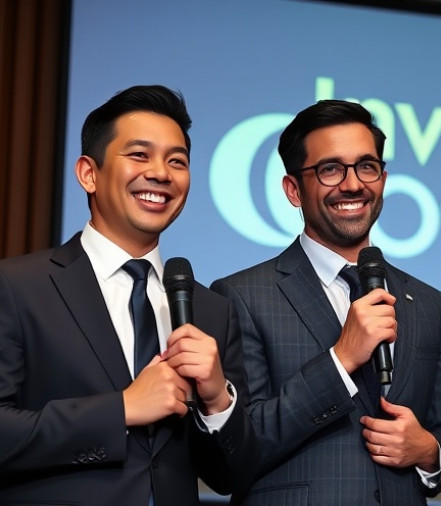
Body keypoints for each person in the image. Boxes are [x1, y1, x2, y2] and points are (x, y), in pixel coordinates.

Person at [0, 85, 257, 505]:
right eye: (140, 155)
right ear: (89, 173)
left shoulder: (210, 309)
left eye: (177, 161)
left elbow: (233, 475)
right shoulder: (17, 286)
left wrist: (217, 399)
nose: (160, 173)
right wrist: (119, 410)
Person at [210, 99, 441, 505]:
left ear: (383, 177)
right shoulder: (241, 296)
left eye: (366, 166)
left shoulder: (430, 303)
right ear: (293, 190)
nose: (353, 184)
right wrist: (340, 360)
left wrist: (430, 453)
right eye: (330, 170)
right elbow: (238, 445)